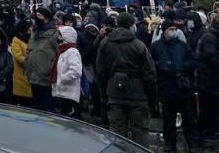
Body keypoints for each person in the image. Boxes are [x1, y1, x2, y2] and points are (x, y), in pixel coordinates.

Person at [96, 12, 158, 149]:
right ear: (131, 26)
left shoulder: (105, 43)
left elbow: (101, 72)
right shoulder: (139, 45)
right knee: (140, 132)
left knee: (117, 132)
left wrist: (104, 93)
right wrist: (153, 99)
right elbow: (149, 74)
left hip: (114, 92)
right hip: (138, 94)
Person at [151, 19, 198, 153]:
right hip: (167, 88)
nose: (173, 31)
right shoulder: (157, 46)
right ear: (164, 31)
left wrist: (182, 67)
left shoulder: (182, 45)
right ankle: (170, 143)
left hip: (183, 88)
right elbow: (150, 62)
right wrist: (161, 66)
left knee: (189, 118)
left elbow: (194, 60)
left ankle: (191, 142)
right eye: (170, 29)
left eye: (174, 29)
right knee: (168, 120)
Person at [25, 7, 59, 113]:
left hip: (46, 79)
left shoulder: (55, 34)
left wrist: (49, 70)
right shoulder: (34, 34)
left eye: (39, 15)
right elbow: (29, 50)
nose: (36, 18)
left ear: (47, 18)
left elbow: (59, 54)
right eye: (36, 15)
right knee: (37, 111)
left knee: (48, 111)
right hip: (33, 77)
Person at [196, 12, 219, 140]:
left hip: (210, 80)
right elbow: (211, 58)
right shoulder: (210, 38)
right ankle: (205, 133)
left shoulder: (211, 36)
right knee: (208, 108)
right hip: (208, 81)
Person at [52, 25, 82, 118]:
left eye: (61, 35)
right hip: (62, 93)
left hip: (69, 94)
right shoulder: (62, 50)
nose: (58, 38)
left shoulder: (72, 51)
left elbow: (76, 72)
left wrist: (62, 79)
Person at [11, 19, 33, 107]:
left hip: (31, 75)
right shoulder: (16, 40)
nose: (30, 32)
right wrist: (32, 62)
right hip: (21, 76)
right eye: (28, 30)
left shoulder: (31, 39)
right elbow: (18, 57)